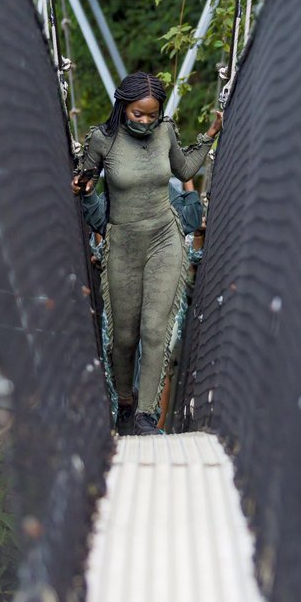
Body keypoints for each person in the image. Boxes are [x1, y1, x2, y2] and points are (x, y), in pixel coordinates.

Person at [71, 72, 221, 435]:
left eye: (152, 115)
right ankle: (125, 401)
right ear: (123, 107)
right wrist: (83, 187)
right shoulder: (102, 140)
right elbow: (84, 183)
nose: (145, 121)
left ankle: (145, 414)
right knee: (124, 336)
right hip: (122, 241)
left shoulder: (165, 132)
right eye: (138, 114)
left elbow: (183, 168)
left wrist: (211, 135)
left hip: (164, 237)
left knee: (155, 328)